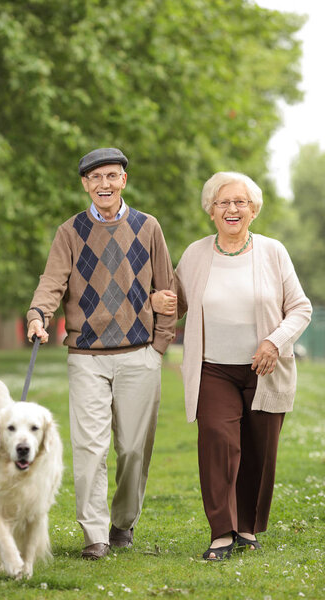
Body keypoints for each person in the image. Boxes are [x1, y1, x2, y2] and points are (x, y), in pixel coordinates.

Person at [151, 171, 312, 560]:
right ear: (211, 211)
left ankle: (246, 527)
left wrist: (274, 341)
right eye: (223, 202)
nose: (232, 209)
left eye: (240, 202)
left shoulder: (273, 252)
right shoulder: (196, 254)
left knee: (259, 449)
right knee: (218, 442)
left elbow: (300, 308)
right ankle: (221, 532)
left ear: (253, 210)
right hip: (214, 368)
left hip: (264, 368)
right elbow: (177, 300)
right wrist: (160, 303)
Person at [27, 148, 176, 560]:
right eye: (95, 178)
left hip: (139, 354)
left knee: (132, 449)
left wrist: (159, 346)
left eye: (112, 176)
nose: (104, 185)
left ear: (124, 180)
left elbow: (167, 290)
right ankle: (95, 535)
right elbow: (52, 282)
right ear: (85, 185)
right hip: (86, 355)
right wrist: (38, 314)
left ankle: (123, 521)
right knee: (90, 448)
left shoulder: (148, 228)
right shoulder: (69, 232)